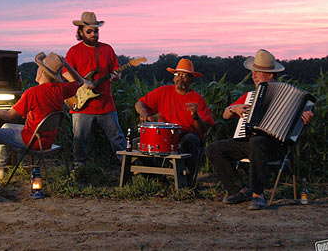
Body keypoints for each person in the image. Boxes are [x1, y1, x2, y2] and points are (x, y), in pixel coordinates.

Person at [206, 49, 314, 210]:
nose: (253, 76)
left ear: (270, 74)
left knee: (257, 142)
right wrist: (233, 108)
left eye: (257, 72)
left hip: (276, 146)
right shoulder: (251, 96)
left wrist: (306, 119)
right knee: (213, 149)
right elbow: (225, 114)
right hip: (250, 142)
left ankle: (258, 195)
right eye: (253, 72)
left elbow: (302, 122)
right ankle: (240, 190)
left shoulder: (295, 98)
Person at [0, 52, 87, 186]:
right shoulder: (61, 89)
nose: (37, 70)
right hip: (46, 140)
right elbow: (80, 81)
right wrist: (66, 64)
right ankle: (0, 170)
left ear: (42, 72)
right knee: (6, 127)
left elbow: (7, 115)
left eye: (39, 67)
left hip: (32, 140)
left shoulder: (32, 93)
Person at [135, 58, 215, 185]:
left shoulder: (197, 99)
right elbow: (140, 103)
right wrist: (143, 112)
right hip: (165, 134)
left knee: (191, 140)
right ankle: (157, 180)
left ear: (191, 79)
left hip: (186, 134)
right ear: (173, 77)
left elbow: (204, 128)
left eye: (184, 75)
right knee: (138, 143)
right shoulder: (163, 91)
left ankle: (187, 182)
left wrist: (195, 116)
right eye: (177, 75)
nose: (180, 78)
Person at [62, 11, 126, 168]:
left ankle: (127, 166)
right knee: (79, 139)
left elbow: (117, 71)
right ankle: (80, 168)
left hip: (105, 103)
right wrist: (82, 83)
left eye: (96, 30)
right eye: (89, 31)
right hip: (81, 104)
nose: (93, 34)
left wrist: (117, 76)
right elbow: (65, 73)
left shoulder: (107, 49)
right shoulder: (74, 51)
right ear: (80, 32)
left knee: (117, 137)